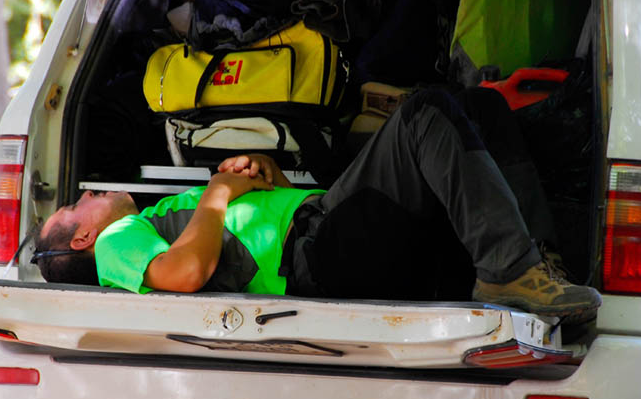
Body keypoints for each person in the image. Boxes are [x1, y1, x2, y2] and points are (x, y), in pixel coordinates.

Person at [34, 88, 601, 323]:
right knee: (424, 112)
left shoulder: (143, 224)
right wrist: (219, 192)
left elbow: (227, 244)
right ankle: (510, 271)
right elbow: (185, 273)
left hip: (319, 233)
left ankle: (534, 265)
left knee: (479, 106)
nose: (86, 193)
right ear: (82, 239)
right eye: (76, 207)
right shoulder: (114, 244)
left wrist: (270, 184)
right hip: (316, 255)